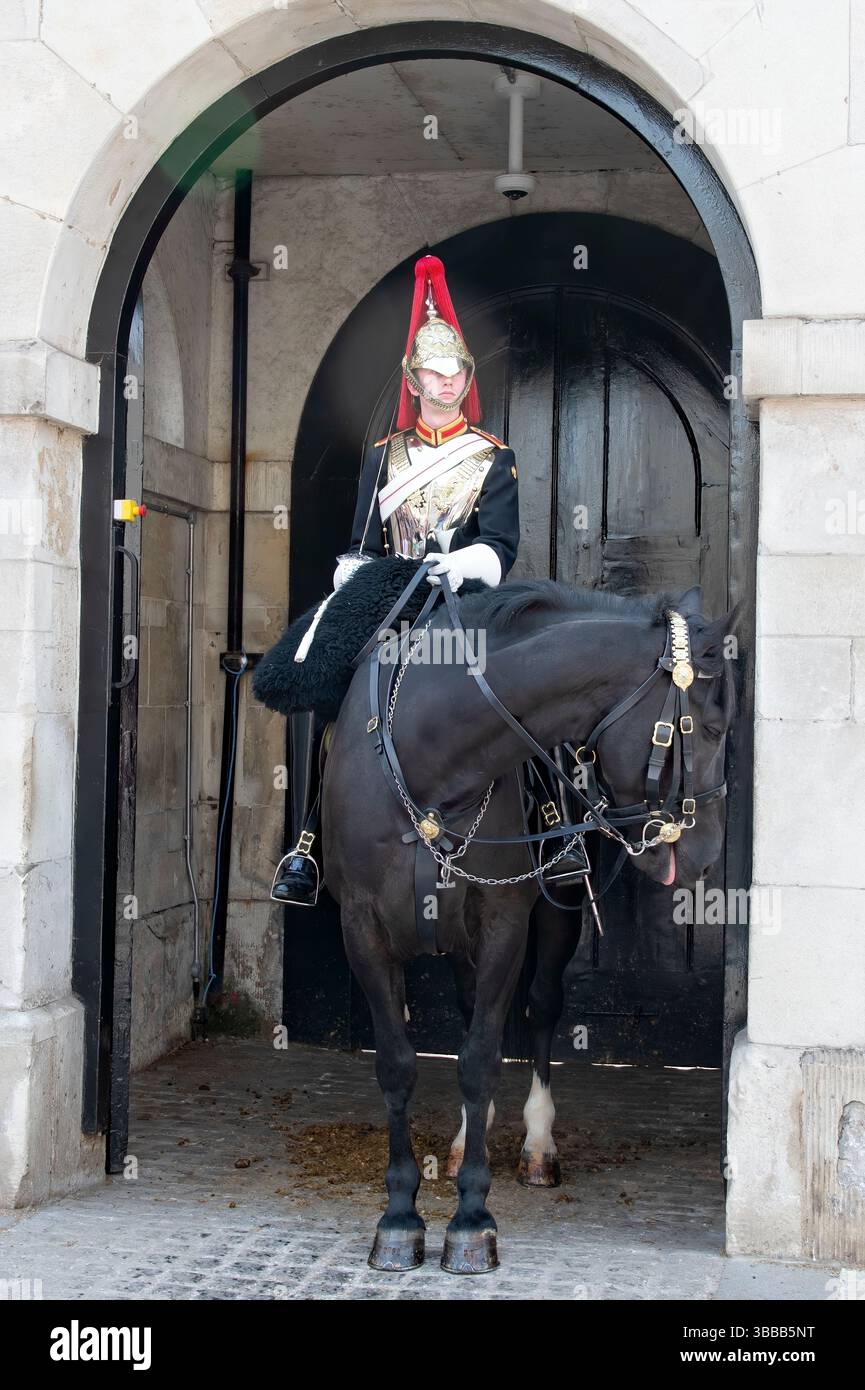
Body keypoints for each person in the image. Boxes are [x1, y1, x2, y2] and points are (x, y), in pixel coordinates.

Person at [271, 254, 520, 905]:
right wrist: (346, 594)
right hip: (389, 601)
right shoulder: (383, 458)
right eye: (433, 374)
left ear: (466, 378)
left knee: (520, 695)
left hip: (463, 602)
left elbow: (499, 547)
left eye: (455, 372)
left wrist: (453, 563)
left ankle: (551, 825)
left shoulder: (493, 458)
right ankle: (305, 843)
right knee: (331, 692)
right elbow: (358, 544)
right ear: (412, 381)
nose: (446, 383)